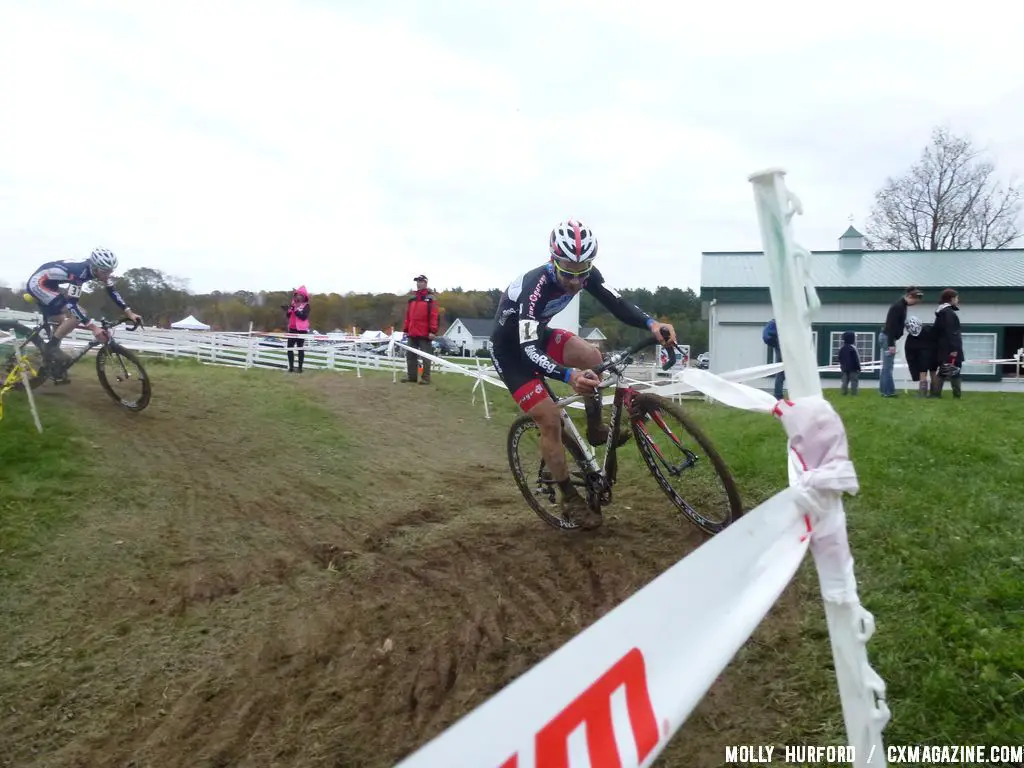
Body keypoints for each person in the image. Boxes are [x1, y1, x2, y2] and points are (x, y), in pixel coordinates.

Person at [489, 218, 677, 530]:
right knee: (550, 420)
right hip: (512, 351)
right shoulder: (534, 290)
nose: (576, 281)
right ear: (553, 260)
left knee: (592, 356)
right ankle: (569, 498)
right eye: (568, 273)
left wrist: (651, 324)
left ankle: (595, 428)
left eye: (582, 272)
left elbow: (617, 303)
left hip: (539, 336)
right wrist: (568, 377)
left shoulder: (584, 273)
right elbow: (527, 349)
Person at [25, 248, 142, 375]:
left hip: (50, 283)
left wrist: (129, 313)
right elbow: (72, 305)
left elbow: (112, 291)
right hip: (38, 284)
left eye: (110, 271)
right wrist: (93, 328)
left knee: (60, 321)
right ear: (95, 267)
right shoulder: (79, 274)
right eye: (105, 272)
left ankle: (50, 362)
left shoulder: (99, 270)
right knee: (79, 314)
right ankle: (51, 348)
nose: (107, 275)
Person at [879, 286, 924, 397]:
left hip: (888, 337)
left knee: (886, 366)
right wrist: (891, 344)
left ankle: (884, 390)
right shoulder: (898, 307)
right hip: (888, 337)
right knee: (888, 367)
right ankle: (888, 392)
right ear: (909, 296)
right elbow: (891, 326)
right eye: (915, 300)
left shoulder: (902, 306)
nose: (915, 303)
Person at [402, 274, 439, 385]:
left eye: (421, 281)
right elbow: (408, 316)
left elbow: (434, 315)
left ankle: (426, 378)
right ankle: (411, 377)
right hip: (412, 332)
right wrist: (406, 329)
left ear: (425, 283)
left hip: (425, 333)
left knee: (426, 356)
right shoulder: (412, 299)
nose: (418, 283)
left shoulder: (430, 299)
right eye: (417, 281)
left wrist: (432, 331)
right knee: (410, 355)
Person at [933, 288, 964, 399]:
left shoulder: (940, 313)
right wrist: (954, 348)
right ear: (951, 299)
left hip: (943, 348)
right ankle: (957, 395)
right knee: (955, 370)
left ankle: (935, 394)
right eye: (956, 298)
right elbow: (952, 332)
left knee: (943, 371)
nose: (958, 300)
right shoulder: (949, 314)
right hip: (951, 349)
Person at [902, 316, 938, 398]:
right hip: (933, 355)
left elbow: (909, 352)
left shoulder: (911, 338)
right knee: (933, 373)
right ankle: (935, 394)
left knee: (923, 374)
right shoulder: (929, 330)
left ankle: (922, 394)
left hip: (923, 358)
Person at [282, 285, 311, 373]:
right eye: (297, 295)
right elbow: (288, 316)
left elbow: (303, 316)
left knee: (300, 348)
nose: (298, 297)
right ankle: (291, 367)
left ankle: (300, 368)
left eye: (301, 295)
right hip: (292, 329)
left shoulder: (306, 306)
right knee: (290, 348)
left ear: (304, 296)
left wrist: (295, 310)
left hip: (301, 330)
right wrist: (288, 310)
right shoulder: (293, 304)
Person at [762, 318, 785, 399]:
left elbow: (766, 336)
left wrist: (774, 343)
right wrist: (775, 343)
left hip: (781, 347)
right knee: (781, 373)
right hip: (784, 348)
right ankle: (778, 395)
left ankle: (778, 395)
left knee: (781, 372)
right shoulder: (776, 323)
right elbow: (767, 337)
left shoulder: (774, 322)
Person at [837, 330, 861, 395]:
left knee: (844, 381)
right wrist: (858, 367)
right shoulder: (853, 348)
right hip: (853, 368)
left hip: (844, 368)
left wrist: (842, 366)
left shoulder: (842, 348)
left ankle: (843, 392)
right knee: (854, 381)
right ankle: (854, 393)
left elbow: (839, 357)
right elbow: (856, 359)